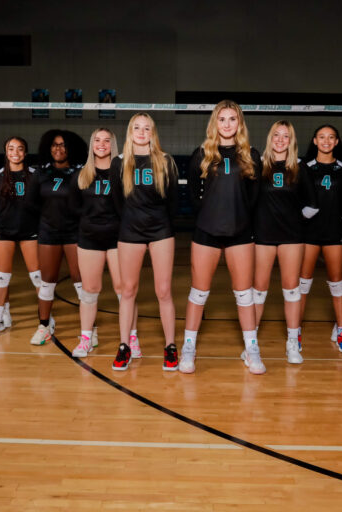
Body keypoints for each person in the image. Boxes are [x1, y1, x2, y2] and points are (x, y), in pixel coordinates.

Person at [181, 100, 264, 374]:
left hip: (240, 234)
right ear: (214, 123)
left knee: (245, 295)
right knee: (198, 293)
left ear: (239, 123)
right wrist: (209, 215)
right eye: (222, 119)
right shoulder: (202, 154)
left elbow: (253, 198)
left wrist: (237, 217)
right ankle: (188, 348)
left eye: (232, 119)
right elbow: (193, 195)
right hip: (206, 233)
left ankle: (252, 349)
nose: (227, 124)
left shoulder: (251, 155)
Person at [110, 114, 178, 371]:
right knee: (128, 290)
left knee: (163, 291)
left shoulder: (166, 161)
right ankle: (124, 346)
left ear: (153, 132)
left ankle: (170, 347)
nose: (141, 131)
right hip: (130, 231)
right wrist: (131, 221)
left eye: (146, 128)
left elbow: (171, 202)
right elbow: (117, 201)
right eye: (136, 127)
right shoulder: (120, 163)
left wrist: (163, 226)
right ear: (130, 132)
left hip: (161, 230)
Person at [69, 128, 139, 358]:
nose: (101, 144)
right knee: (89, 291)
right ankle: (86, 339)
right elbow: (74, 207)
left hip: (119, 238)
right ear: (91, 145)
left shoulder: (123, 172)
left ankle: (132, 339)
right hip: (89, 238)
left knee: (124, 291)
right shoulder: (81, 174)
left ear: (114, 145)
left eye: (107, 140)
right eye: (97, 140)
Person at [252, 121, 307, 364]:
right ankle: (251, 345)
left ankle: (292, 344)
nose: (281, 139)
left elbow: (312, 204)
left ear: (291, 141)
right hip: (263, 235)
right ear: (270, 137)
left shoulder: (299, 168)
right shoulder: (258, 165)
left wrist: (293, 220)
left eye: (286, 136)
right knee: (258, 291)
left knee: (291, 289)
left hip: (291, 237)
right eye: (277, 135)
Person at [299, 124, 342, 353]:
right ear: (314, 141)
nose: (326, 141)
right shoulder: (305, 167)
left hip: (334, 234)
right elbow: (297, 198)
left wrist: (340, 220)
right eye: (322, 137)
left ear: (336, 142)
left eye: (331, 137)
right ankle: (296, 331)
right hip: (309, 233)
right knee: (302, 283)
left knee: (337, 283)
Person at [27, 130, 87, 345]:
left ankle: (89, 329)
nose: (58, 149)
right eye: (54, 145)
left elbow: (86, 203)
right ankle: (44, 325)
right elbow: (31, 204)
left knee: (81, 281)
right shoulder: (41, 173)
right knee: (47, 282)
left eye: (63, 145)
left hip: (74, 233)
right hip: (49, 232)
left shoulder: (80, 172)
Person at [0, 136, 40, 336]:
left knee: (38, 277)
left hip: (29, 231)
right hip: (5, 232)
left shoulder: (35, 175)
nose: (15, 152)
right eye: (11, 148)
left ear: (25, 152)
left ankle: (45, 320)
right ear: (5, 152)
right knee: (1, 277)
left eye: (20, 149)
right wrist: (3, 222)